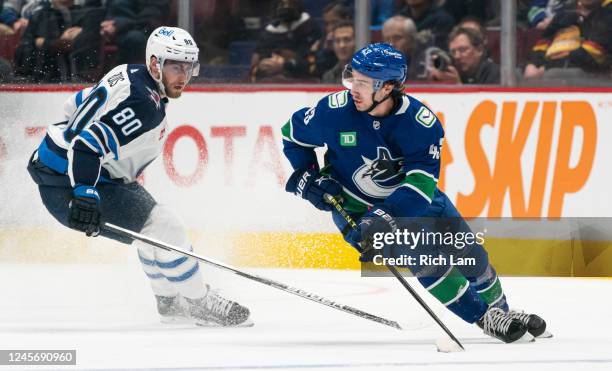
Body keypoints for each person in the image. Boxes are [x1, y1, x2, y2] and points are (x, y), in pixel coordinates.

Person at [281, 43, 549, 343]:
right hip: (355, 208)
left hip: (419, 203)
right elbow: (291, 135)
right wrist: (309, 177)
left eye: (364, 83)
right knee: (423, 255)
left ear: (390, 87)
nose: (353, 89)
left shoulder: (421, 124)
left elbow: (420, 186)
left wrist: (385, 216)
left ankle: (503, 312)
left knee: (472, 256)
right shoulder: (332, 113)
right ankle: (485, 318)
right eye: (352, 78)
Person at [26, 26, 251, 327]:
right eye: (176, 66)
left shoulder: (129, 72)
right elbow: (88, 145)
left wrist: (64, 146)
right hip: (72, 182)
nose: (183, 76)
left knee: (151, 228)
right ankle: (199, 302)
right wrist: (84, 193)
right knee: (167, 228)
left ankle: (169, 302)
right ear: (156, 64)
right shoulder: (145, 105)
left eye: (188, 67)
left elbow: (77, 105)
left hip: (65, 172)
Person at [249, 0, 321, 82]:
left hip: (301, 80)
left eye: (290, 4)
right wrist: (262, 67)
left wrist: (284, 65)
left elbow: (312, 61)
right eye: (282, 4)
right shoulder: (268, 32)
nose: (286, 8)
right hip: (270, 79)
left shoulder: (309, 26)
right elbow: (256, 62)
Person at [429, 26, 500, 84]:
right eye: (453, 52)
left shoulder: (496, 75)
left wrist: (457, 85)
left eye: (462, 50)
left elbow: (484, 101)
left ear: (479, 50)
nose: (457, 56)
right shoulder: (455, 72)